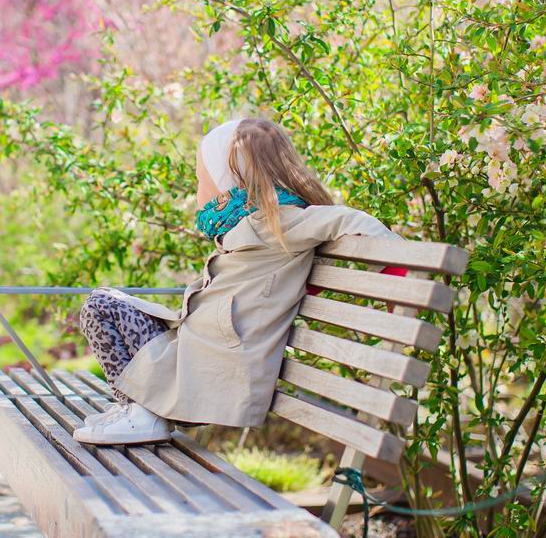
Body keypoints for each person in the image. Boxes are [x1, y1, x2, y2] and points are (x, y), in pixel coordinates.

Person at [72, 117, 400, 446]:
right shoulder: (245, 226)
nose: (198, 191)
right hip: (194, 354)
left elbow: (348, 219)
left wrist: (395, 276)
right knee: (103, 304)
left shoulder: (277, 221)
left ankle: (142, 414)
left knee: (100, 306)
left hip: (214, 369)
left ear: (227, 182)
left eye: (202, 180)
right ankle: (139, 410)